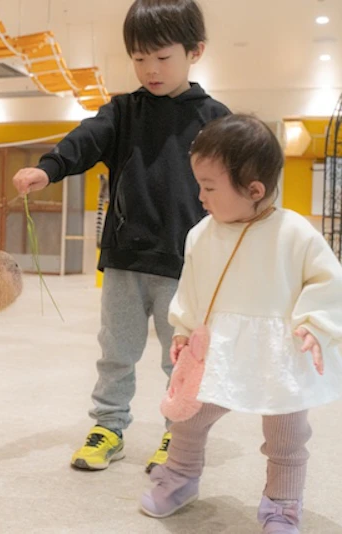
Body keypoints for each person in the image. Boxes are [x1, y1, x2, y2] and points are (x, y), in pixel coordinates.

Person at [12, 0, 231, 473]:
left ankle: (181, 435)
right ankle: (108, 427)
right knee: (116, 352)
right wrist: (48, 169)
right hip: (125, 260)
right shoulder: (123, 111)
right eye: (139, 58)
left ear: (195, 52)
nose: (150, 69)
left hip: (185, 264)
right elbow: (85, 140)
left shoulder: (215, 118)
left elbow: (237, 178)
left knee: (183, 359)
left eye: (162, 57)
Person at [139, 113, 342, 533]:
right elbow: (192, 289)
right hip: (219, 349)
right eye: (199, 185)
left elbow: (327, 281)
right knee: (188, 417)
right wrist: (182, 328)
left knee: (287, 436)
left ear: (255, 190)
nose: (200, 196)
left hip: (280, 353)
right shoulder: (202, 234)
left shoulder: (296, 233)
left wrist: (314, 322)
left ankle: (283, 503)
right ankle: (180, 478)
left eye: (209, 187)